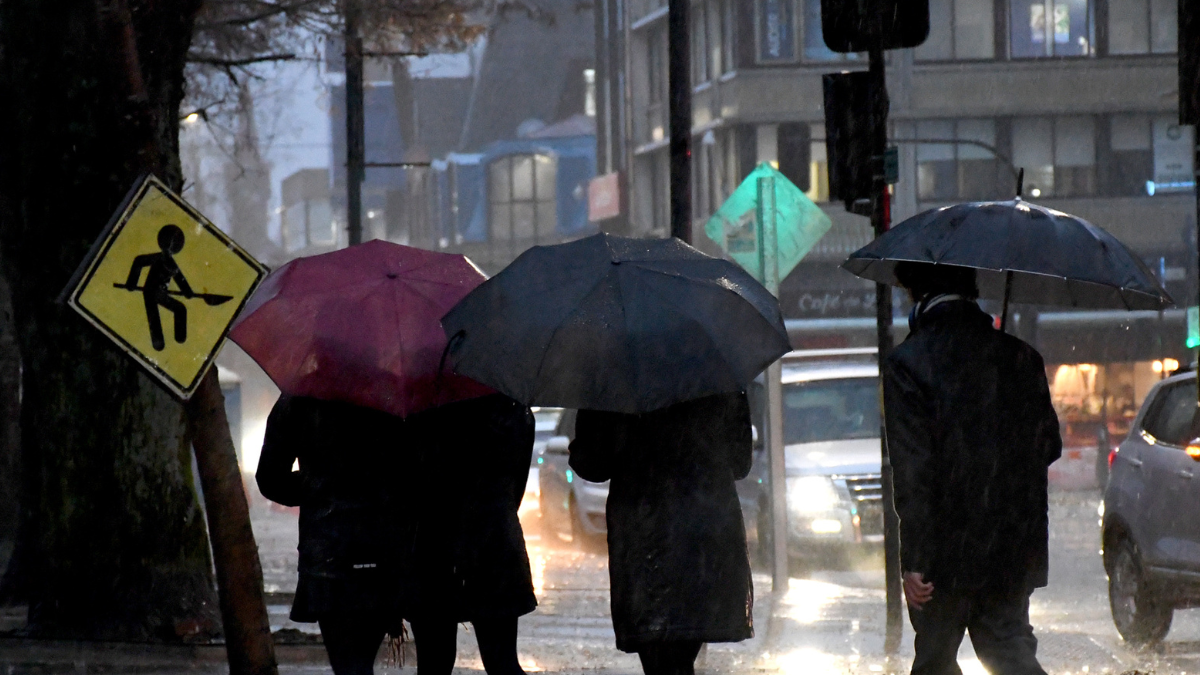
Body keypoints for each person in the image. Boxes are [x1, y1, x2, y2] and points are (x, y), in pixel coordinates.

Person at [883, 262, 1062, 675]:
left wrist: (915, 558)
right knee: (1009, 652)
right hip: (1012, 548)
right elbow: (1048, 447)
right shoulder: (1021, 357)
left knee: (935, 659)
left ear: (918, 297)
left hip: (943, 555)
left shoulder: (908, 364)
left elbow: (914, 470)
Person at [568, 392, 754, 675]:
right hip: (705, 537)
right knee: (685, 642)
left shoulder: (615, 379)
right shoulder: (716, 376)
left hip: (644, 536)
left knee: (660, 654)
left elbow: (592, 463)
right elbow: (740, 462)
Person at [256, 396, 412, 675]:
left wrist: (318, 484)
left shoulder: (300, 398)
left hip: (328, 554)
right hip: (384, 551)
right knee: (361, 661)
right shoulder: (392, 394)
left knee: (347, 664)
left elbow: (270, 477)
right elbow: (416, 473)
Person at [407, 393, 537, 675]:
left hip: (434, 543)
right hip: (495, 542)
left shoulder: (423, 407)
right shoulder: (513, 409)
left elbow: (408, 485)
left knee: (433, 663)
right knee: (502, 661)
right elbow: (516, 487)